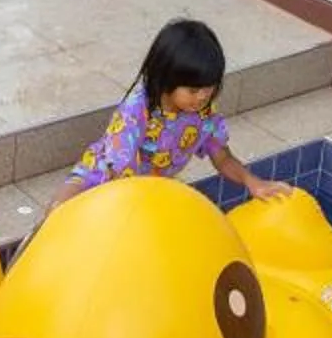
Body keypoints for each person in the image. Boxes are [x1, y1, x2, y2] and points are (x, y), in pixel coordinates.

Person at [59, 17, 294, 206]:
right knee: (58, 210)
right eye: (193, 90)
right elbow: (118, 169)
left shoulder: (202, 112)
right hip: (101, 180)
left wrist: (253, 183)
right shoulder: (138, 109)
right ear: (167, 78)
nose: (202, 96)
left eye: (208, 88)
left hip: (149, 191)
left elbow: (222, 157)